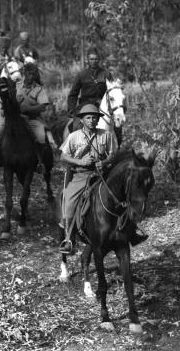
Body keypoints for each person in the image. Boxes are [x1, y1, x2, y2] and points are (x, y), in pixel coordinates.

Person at [58, 104, 148, 254]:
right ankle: (69, 239)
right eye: (88, 117)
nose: (92, 120)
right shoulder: (74, 137)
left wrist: (104, 162)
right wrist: (80, 162)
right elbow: (63, 156)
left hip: (103, 174)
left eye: (95, 117)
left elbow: (113, 154)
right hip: (81, 175)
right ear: (82, 119)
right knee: (69, 202)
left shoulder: (106, 135)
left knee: (124, 196)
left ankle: (132, 232)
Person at [66, 47, 113, 131]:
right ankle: (73, 141)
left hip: (102, 105)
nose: (94, 61)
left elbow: (112, 91)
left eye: (96, 59)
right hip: (85, 105)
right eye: (91, 59)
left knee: (117, 127)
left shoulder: (106, 74)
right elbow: (73, 94)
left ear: (99, 60)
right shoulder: (81, 75)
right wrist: (71, 109)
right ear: (87, 59)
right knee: (75, 126)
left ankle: (117, 143)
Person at [16, 63, 52, 170]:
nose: (31, 76)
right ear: (24, 73)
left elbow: (43, 106)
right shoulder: (16, 85)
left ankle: (40, 162)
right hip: (16, 118)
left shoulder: (39, 89)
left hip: (32, 119)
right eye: (29, 73)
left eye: (33, 74)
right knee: (0, 131)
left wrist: (28, 110)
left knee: (41, 137)